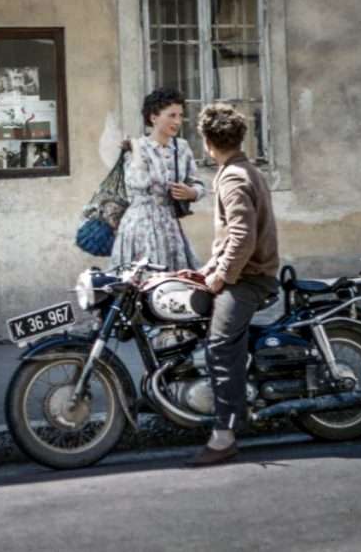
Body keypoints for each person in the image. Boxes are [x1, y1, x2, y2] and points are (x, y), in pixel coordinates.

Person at [183, 103, 280, 467]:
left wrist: (221, 275)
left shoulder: (234, 178)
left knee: (221, 346)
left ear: (207, 142)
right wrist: (205, 269)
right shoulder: (240, 170)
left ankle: (224, 435)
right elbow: (230, 239)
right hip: (247, 272)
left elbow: (241, 236)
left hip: (250, 279)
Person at [111, 88, 206, 270]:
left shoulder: (182, 147)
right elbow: (137, 183)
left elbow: (198, 184)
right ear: (153, 117)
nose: (177, 121)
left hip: (170, 226)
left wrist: (192, 192)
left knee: (173, 286)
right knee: (143, 283)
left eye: (180, 115)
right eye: (171, 115)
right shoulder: (137, 148)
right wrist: (136, 149)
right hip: (140, 226)